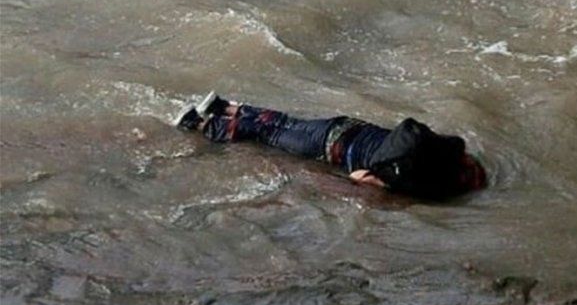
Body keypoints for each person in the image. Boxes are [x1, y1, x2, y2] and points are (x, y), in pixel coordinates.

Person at [174, 91, 486, 199]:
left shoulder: (440, 148)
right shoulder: (413, 179)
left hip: (345, 125)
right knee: (267, 136)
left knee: (285, 122)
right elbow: (358, 178)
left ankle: (225, 106)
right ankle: (198, 123)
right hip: (329, 146)